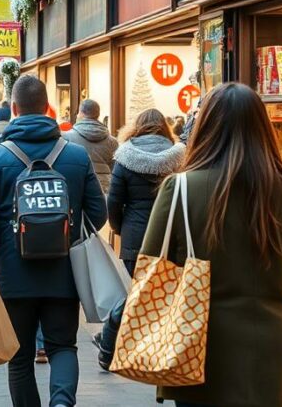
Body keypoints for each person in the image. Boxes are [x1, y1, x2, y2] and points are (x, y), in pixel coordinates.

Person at [135, 82, 282, 407]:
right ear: (263, 128)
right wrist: (278, 306)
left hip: (202, 352)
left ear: (205, 127)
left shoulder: (181, 189)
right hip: (278, 351)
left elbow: (151, 272)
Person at [0, 75, 107, 407]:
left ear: (14, 108)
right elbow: (98, 213)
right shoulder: (75, 155)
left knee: (19, 358)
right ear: (47, 107)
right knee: (63, 346)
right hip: (65, 272)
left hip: (13, 275)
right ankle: (61, 403)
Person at [94, 108, 186, 369]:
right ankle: (114, 342)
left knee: (140, 291)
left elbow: (115, 201)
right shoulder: (178, 157)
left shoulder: (125, 156)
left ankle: (109, 340)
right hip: (171, 235)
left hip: (136, 237)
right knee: (160, 292)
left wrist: (120, 228)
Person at [62, 99, 118, 181]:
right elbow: (115, 168)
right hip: (106, 185)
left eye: (78, 113)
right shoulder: (113, 142)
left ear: (81, 113)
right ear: (98, 115)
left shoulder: (66, 137)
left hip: (79, 182)